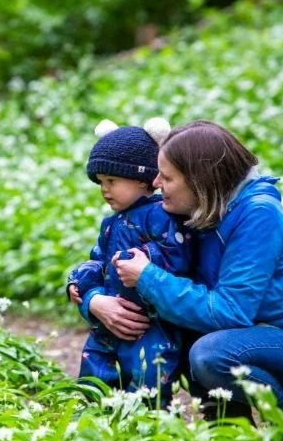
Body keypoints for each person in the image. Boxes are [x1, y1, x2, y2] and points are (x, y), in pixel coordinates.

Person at [110, 120, 283, 412]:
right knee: (194, 334)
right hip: (269, 339)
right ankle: (227, 433)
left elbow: (230, 312)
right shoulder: (204, 211)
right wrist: (92, 299)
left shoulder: (258, 214)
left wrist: (148, 278)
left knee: (211, 353)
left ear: (199, 180)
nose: (155, 184)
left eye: (167, 177)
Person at [66, 118, 192, 403]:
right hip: (108, 319)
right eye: (100, 182)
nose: (104, 189)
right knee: (95, 366)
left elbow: (178, 256)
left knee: (148, 373)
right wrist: (82, 279)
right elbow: (99, 260)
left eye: (111, 181)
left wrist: (145, 257)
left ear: (142, 179)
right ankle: (95, 409)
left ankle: (147, 420)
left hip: (151, 322)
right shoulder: (111, 224)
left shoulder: (160, 215)